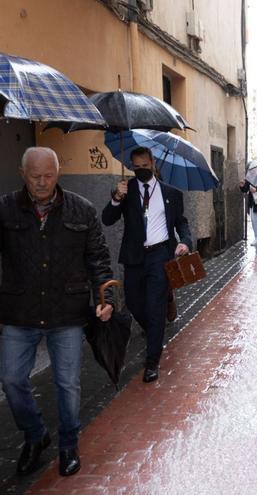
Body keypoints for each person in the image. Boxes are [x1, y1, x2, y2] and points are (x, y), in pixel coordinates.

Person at [0, 147, 114, 476]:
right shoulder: (6, 209)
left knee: (68, 384)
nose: (42, 182)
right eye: (35, 176)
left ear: (58, 173)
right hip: (19, 312)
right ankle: (36, 435)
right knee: (10, 379)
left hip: (67, 313)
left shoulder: (83, 210)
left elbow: (99, 260)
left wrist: (106, 300)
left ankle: (68, 445)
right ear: (23, 174)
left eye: (48, 175)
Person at [102, 146, 192, 383]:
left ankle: (152, 362)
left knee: (154, 307)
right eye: (136, 167)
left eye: (144, 165)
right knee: (133, 302)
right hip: (133, 257)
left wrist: (185, 242)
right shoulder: (126, 190)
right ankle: (156, 327)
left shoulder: (171, 193)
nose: (140, 170)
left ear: (153, 163)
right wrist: (115, 198)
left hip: (160, 255)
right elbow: (107, 220)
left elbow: (181, 223)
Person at [239, 179, 257, 246]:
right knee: (254, 220)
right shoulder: (251, 177)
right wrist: (242, 186)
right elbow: (245, 189)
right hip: (253, 202)